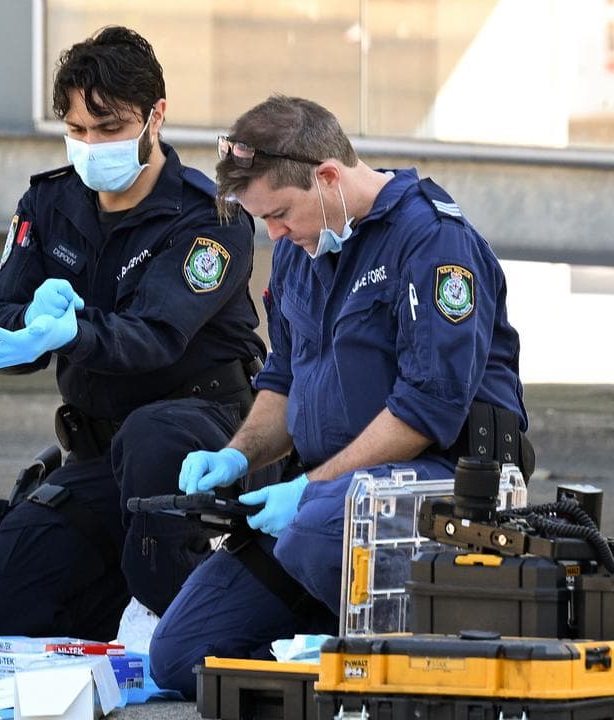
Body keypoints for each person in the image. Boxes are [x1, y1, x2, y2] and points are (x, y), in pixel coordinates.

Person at [148, 95, 531, 695]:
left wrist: (310, 489)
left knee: (315, 532)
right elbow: (282, 379)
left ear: (327, 176)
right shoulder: (303, 248)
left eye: (280, 213)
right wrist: (237, 456)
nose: (274, 233)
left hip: (440, 486)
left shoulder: (433, 243)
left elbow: (427, 409)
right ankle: (327, 650)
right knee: (179, 657)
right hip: (327, 505)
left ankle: (403, 664)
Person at [0, 26, 268, 642]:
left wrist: (71, 333)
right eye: (77, 130)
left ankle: (177, 625)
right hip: (100, 454)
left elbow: (154, 335)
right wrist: (29, 327)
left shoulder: (211, 218)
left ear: (156, 116)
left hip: (200, 443)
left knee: (154, 438)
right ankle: (116, 619)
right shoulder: (49, 204)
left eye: (110, 128)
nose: (92, 147)